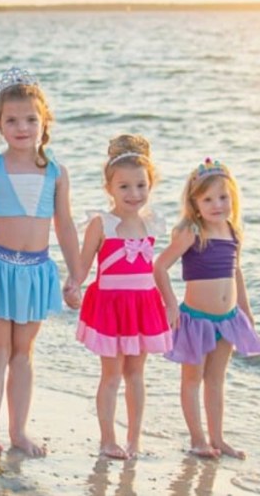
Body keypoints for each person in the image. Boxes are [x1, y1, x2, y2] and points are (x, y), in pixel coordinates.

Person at [0, 67, 81, 457]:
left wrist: (77, 275)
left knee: (23, 353)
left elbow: (66, 225)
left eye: (30, 119)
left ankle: (19, 431)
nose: (21, 127)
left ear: (45, 122)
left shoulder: (55, 172)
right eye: (12, 120)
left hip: (36, 270)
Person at [72, 134, 172, 459]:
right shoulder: (103, 223)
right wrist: (72, 284)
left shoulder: (151, 222)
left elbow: (156, 269)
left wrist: (171, 303)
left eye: (141, 185)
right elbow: (84, 264)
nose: (134, 193)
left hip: (142, 307)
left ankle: (135, 440)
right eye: (125, 186)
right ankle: (107, 440)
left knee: (136, 374)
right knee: (112, 375)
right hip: (111, 308)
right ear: (109, 188)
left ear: (150, 185)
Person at [154, 158, 260, 459]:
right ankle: (198, 439)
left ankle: (218, 438)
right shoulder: (192, 232)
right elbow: (160, 267)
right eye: (208, 199)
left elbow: (235, 272)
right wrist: (171, 304)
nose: (217, 205)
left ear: (233, 198)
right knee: (192, 379)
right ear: (195, 203)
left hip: (227, 320)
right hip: (196, 321)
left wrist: (246, 310)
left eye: (223, 197)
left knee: (216, 380)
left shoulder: (232, 231)